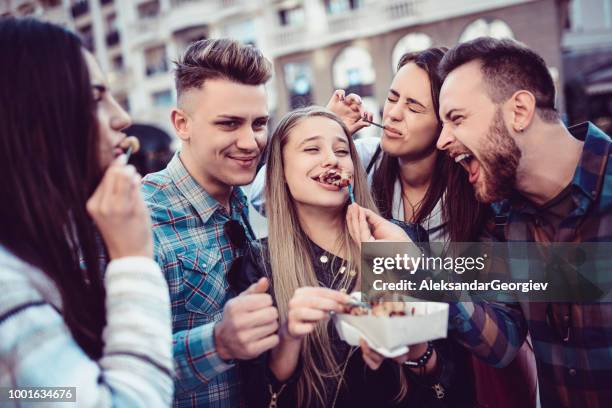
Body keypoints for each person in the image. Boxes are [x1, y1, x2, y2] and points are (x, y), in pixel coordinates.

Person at [231, 106, 474, 407]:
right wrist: (289, 338)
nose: (332, 159)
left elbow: (453, 384)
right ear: (280, 173)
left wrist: (417, 349)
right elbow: (259, 395)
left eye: (342, 150)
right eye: (312, 149)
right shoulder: (259, 263)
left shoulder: (405, 240)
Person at [0, 18, 173, 406]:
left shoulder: (45, 239)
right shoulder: (6, 285)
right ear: (31, 121)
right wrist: (132, 259)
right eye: (95, 98)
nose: (122, 118)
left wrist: (218, 343)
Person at [434, 37, 612, 407]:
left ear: (519, 110)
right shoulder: (501, 218)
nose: (442, 141)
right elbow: (500, 343)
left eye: (456, 118)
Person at [141, 38, 279, 406]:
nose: (251, 142)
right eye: (229, 124)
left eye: (259, 123)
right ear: (181, 123)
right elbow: (95, 376)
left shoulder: (245, 200)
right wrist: (218, 342)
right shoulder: (135, 222)